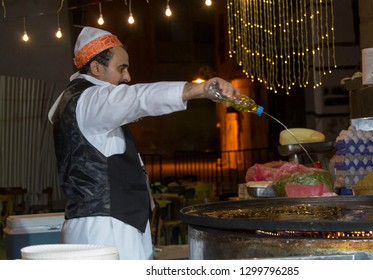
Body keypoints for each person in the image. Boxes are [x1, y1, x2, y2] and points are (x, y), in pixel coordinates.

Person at [48, 26, 239, 260]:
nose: (127, 77)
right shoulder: (90, 99)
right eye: (121, 68)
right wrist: (198, 89)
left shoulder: (84, 101)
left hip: (107, 225)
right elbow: (138, 98)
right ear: (96, 68)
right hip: (105, 231)